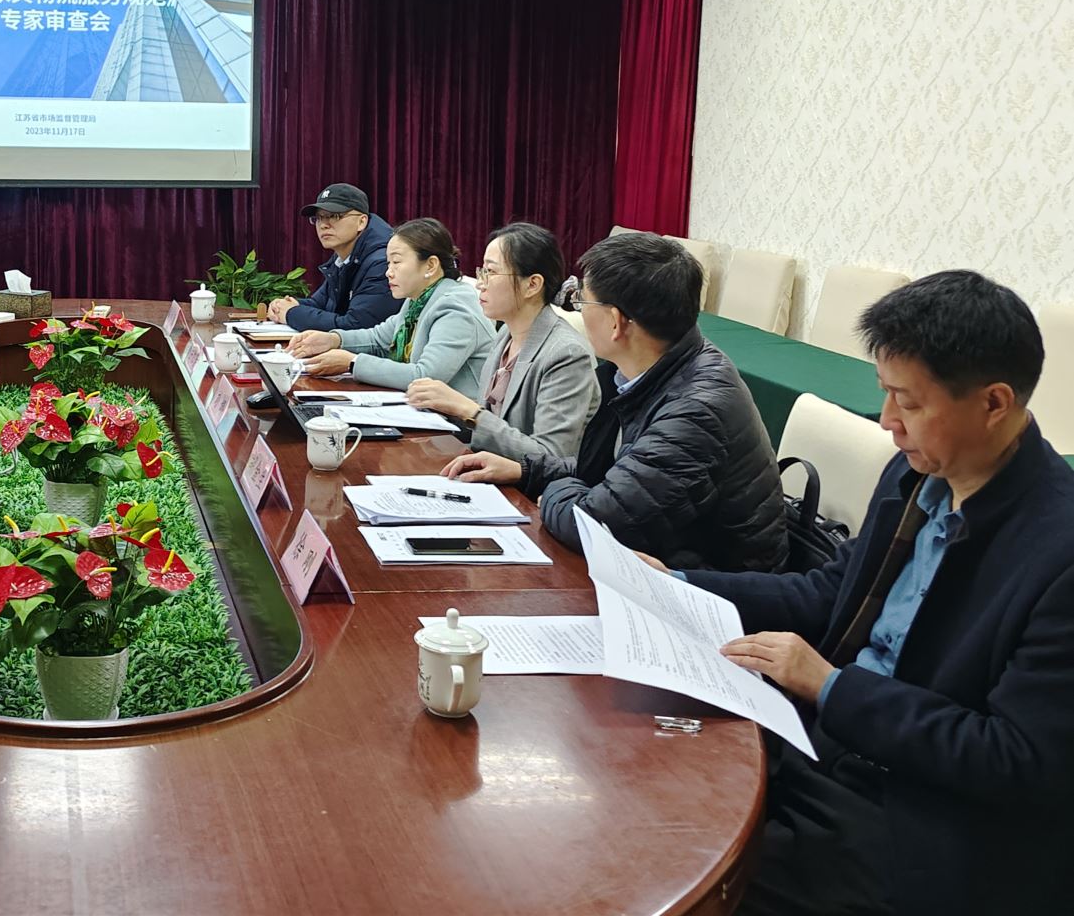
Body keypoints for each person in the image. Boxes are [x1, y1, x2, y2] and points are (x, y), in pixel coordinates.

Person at [642, 271, 1074, 916]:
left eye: (909, 402)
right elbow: (832, 591)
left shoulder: (1058, 550)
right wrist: (677, 587)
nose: (888, 422)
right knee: (650, 789)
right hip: (828, 740)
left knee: (696, 881)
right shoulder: (916, 473)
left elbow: (1017, 759)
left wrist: (830, 686)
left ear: (994, 403)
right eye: (885, 393)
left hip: (919, 811)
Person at [444, 232, 786, 572]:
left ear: (615, 322)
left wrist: (557, 491)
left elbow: (595, 523)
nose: (578, 312)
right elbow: (618, 473)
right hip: (663, 552)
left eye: (583, 302)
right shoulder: (648, 369)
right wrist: (527, 471)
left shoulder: (695, 410)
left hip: (709, 582)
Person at [406, 222, 598, 459]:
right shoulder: (505, 334)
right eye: (482, 271)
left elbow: (549, 456)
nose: (480, 283)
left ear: (532, 284)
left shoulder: (566, 353)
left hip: (526, 482)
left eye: (491, 272)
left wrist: (468, 410)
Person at [288, 218, 493, 396]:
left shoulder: (455, 307)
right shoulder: (418, 300)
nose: (388, 272)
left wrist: (353, 363)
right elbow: (378, 339)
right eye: (388, 263)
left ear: (431, 265)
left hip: (457, 424)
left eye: (396, 262)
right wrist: (333, 340)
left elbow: (425, 376)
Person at [267, 184, 400, 332]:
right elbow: (320, 304)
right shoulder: (344, 257)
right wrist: (283, 307)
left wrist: (291, 313)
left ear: (361, 222)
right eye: (318, 218)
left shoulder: (382, 262)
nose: (323, 225)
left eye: (334, 216)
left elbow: (356, 326)